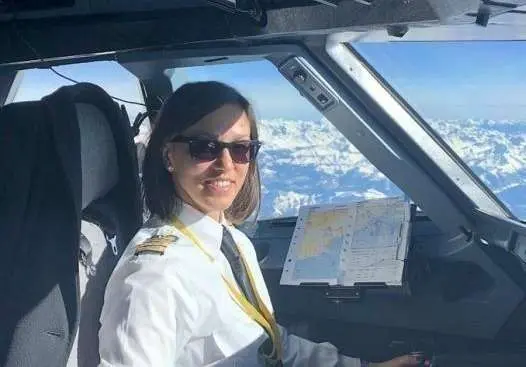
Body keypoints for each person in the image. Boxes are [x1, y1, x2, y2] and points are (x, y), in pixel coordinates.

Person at [98, 81, 422, 367]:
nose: (225, 165)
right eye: (204, 148)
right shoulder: (154, 277)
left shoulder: (233, 242)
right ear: (169, 156)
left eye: (240, 149)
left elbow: (269, 345)